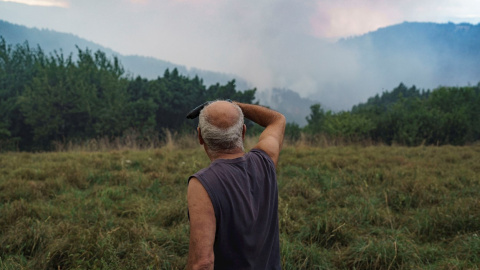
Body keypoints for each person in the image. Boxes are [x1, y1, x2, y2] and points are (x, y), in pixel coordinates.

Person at [186, 100, 286, 270]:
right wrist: (234, 104)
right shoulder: (265, 160)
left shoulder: (202, 184)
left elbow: (202, 263)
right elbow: (277, 120)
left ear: (200, 136)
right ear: (243, 132)